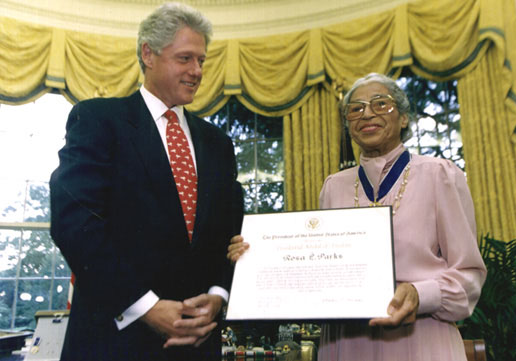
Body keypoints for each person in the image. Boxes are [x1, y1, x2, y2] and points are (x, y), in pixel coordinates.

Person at [228, 73, 486, 360]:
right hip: (346, 343)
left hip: (420, 338)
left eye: (380, 104)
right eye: (356, 108)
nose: (367, 114)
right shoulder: (333, 186)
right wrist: (256, 257)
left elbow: (469, 277)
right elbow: (316, 264)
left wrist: (420, 294)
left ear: (403, 118)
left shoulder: (439, 175)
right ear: (348, 124)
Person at [50, 3, 243, 360]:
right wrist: (146, 307)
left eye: (202, 60)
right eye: (185, 58)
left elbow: (232, 231)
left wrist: (219, 294)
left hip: (198, 343)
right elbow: (73, 223)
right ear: (148, 54)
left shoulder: (217, 143)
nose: (197, 71)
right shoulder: (98, 120)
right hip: (114, 341)